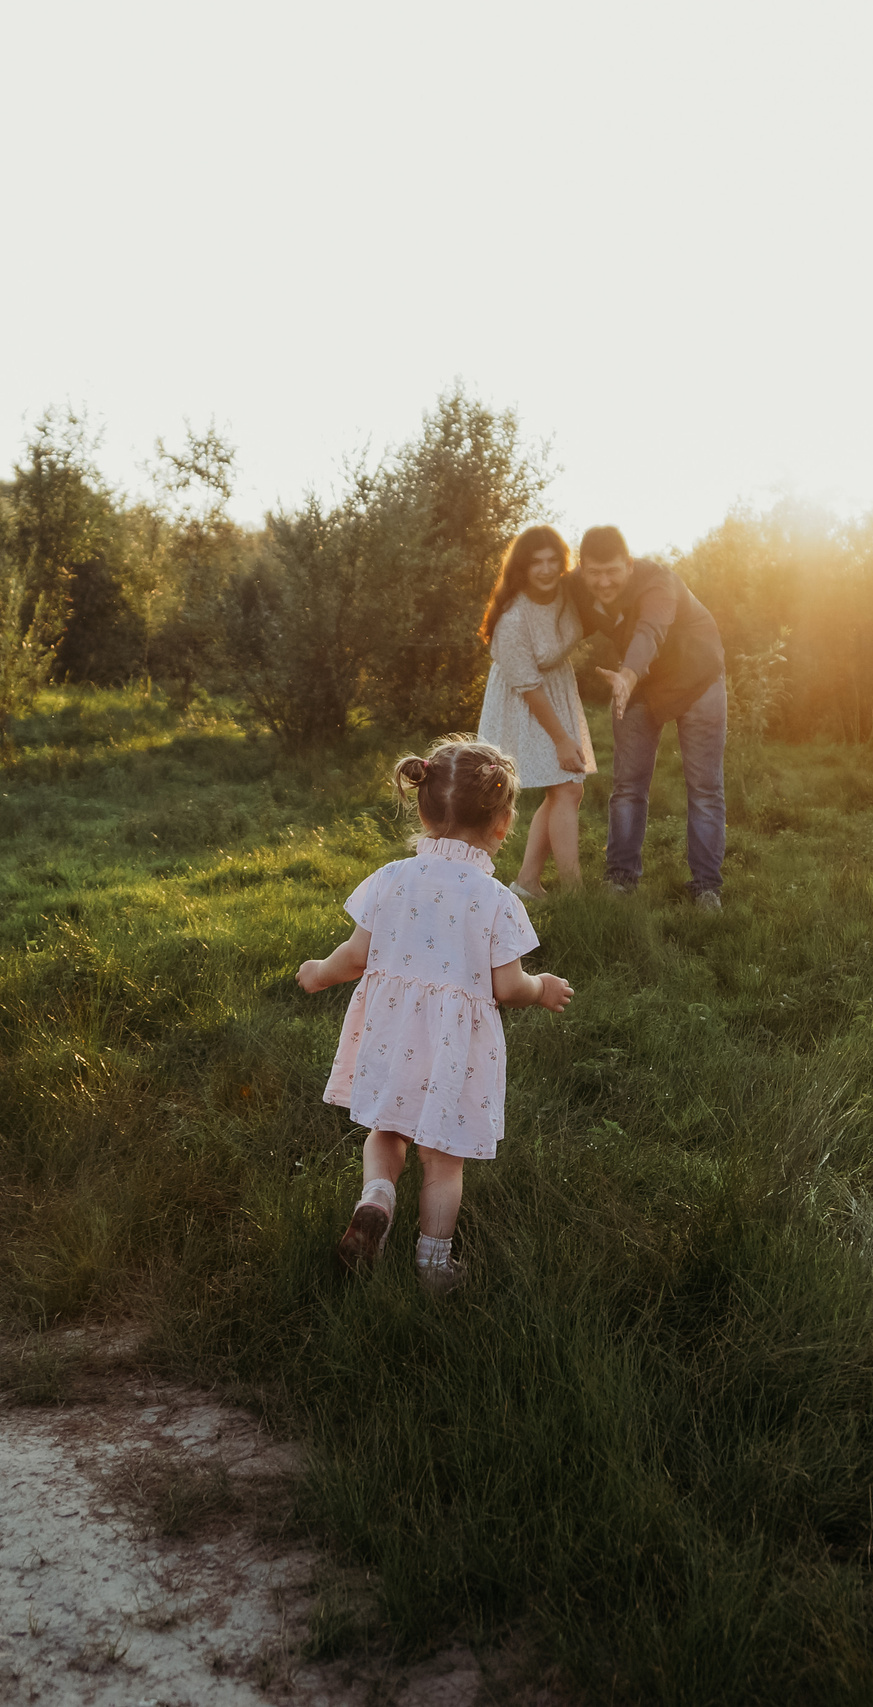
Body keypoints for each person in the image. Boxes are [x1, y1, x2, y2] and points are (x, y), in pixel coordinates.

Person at [296, 737, 574, 1293]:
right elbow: (507, 985)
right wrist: (541, 987)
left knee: (386, 1132)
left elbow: (354, 957)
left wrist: (318, 973)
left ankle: (377, 1196)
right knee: (444, 1161)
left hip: (391, 1034)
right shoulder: (498, 900)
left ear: (422, 811)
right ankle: (434, 1265)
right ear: (502, 825)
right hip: (454, 1053)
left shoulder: (392, 879)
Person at [574, 526, 729, 908]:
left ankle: (707, 887)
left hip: (697, 679)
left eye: (612, 571)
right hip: (642, 685)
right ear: (582, 569)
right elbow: (547, 608)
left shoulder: (659, 584)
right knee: (627, 785)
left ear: (628, 565)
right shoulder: (579, 587)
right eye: (594, 572)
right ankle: (621, 878)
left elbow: (649, 631)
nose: (604, 581)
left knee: (705, 788)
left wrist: (627, 675)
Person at [474, 525, 595, 900]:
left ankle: (527, 882)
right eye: (535, 562)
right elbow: (528, 686)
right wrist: (561, 739)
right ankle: (574, 892)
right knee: (568, 788)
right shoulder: (513, 618)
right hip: (524, 704)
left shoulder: (567, 592)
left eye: (552, 560)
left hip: (555, 692)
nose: (545, 569)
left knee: (564, 790)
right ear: (521, 568)